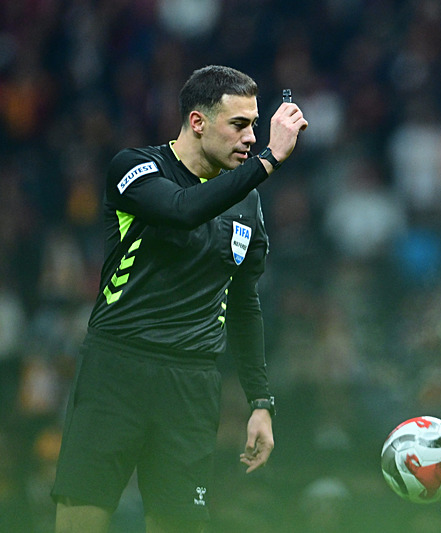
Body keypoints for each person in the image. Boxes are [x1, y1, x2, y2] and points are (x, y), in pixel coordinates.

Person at [51, 65, 308, 533]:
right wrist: (269, 159)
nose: (251, 136)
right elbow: (180, 211)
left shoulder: (246, 200)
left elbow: (245, 304)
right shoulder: (135, 169)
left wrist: (260, 400)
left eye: (255, 124)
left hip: (191, 383)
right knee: (80, 518)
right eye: (239, 124)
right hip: (117, 369)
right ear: (197, 122)